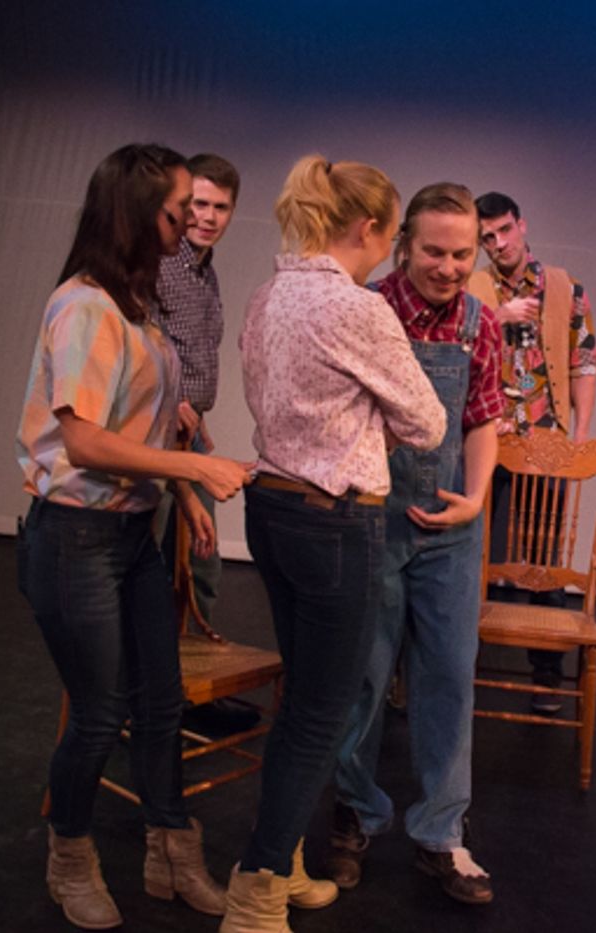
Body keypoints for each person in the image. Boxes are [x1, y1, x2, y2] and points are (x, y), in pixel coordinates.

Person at [15, 143, 252, 930]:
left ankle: (170, 849)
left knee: (159, 706)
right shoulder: (84, 305)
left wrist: (180, 492)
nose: (190, 220)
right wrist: (191, 469)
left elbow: (144, 421)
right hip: (74, 536)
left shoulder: (138, 305)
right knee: (99, 711)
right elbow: (83, 442)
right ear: (135, 211)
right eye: (178, 206)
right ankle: (70, 854)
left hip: (130, 535)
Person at [219, 156, 446, 932]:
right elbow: (428, 423)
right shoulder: (358, 309)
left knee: (305, 702)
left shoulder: (268, 294)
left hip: (273, 508)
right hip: (334, 521)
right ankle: (254, 890)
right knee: (321, 710)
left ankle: (278, 864)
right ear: (372, 228)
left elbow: (267, 397)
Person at [326, 183, 503, 905]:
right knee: (363, 674)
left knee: (449, 675)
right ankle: (353, 815)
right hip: (375, 517)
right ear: (403, 244)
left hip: (452, 525)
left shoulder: (479, 323)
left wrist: (478, 495)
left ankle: (441, 834)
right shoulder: (370, 310)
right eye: (435, 250)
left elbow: (484, 418)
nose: (449, 265)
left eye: (463, 253)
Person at [469, 192, 596, 712]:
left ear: (522, 225)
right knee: (478, 554)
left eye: (504, 231)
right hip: (485, 438)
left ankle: (546, 674)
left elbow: (584, 362)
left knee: (545, 561)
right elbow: (454, 350)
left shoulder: (565, 288)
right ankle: (463, 665)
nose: (498, 244)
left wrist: (578, 435)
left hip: (545, 441)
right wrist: (495, 318)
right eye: (487, 237)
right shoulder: (473, 289)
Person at [154, 152, 239, 630]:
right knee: (154, 556)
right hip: (154, 430)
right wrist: (172, 401)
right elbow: (145, 344)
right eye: (199, 205)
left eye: (220, 207)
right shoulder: (160, 264)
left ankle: (196, 676)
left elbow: (196, 352)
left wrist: (198, 417)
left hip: (191, 432)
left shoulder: (207, 272)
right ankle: (154, 682)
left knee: (202, 558)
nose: (207, 217)